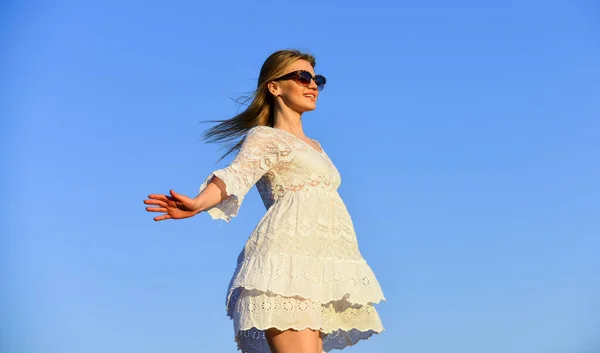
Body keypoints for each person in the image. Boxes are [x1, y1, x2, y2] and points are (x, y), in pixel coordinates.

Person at [144, 49, 385, 353]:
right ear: (274, 87)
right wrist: (198, 203)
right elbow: (236, 174)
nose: (313, 85)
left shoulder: (317, 147)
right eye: (303, 77)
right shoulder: (265, 137)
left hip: (318, 267)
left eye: (317, 80)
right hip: (285, 265)